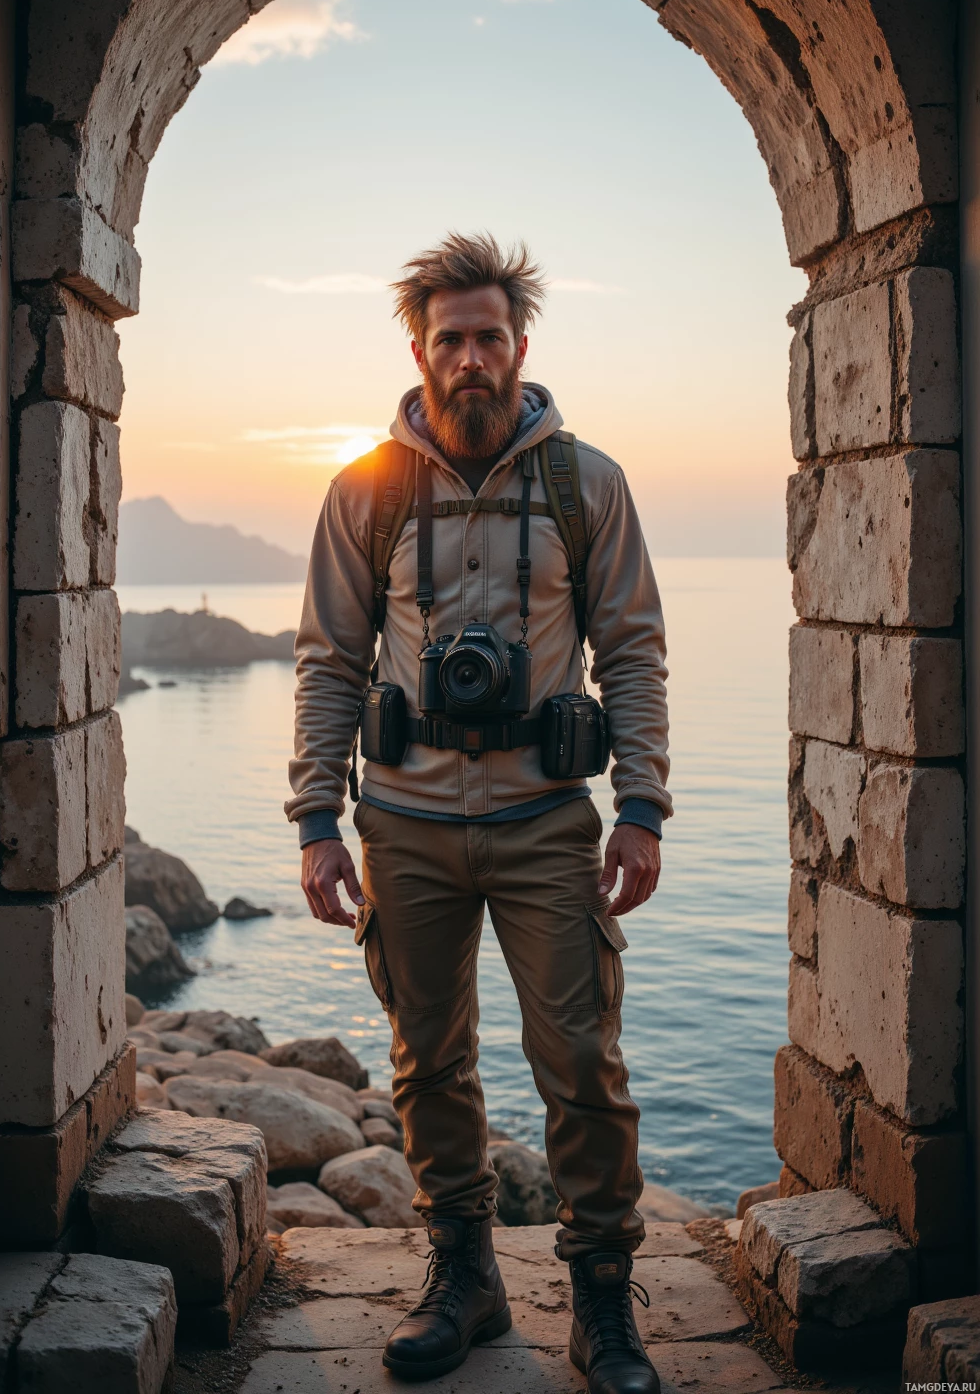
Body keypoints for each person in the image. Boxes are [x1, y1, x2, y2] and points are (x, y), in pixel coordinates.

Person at [287, 231, 671, 1394]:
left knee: (582, 1060)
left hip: (548, 818)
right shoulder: (366, 488)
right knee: (427, 1064)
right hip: (402, 823)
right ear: (419, 349)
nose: (469, 358)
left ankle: (601, 1296)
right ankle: (463, 1276)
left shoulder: (586, 484)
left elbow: (633, 650)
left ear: (520, 344)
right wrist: (316, 821)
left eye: (488, 337)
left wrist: (642, 805)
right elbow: (328, 660)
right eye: (449, 339)